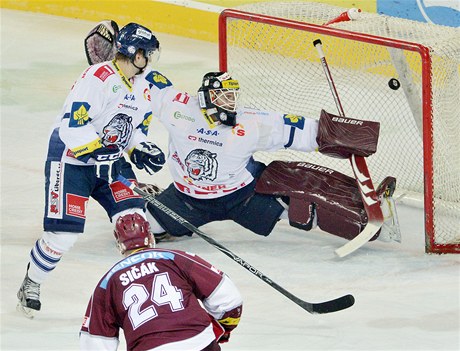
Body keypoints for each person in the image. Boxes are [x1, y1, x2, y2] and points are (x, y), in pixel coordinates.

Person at [84, 21, 401, 246]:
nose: (231, 103)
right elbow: (141, 80)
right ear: (207, 99)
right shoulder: (178, 109)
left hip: (242, 196)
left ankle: (367, 218)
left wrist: (338, 134)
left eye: (233, 96)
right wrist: (120, 58)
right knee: (137, 229)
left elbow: (298, 131)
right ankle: (169, 219)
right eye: (224, 97)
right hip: (185, 199)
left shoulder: (250, 122)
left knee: (301, 195)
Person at [17, 22, 167, 318]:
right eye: (146, 53)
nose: (149, 59)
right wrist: (98, 150)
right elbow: (73, 126)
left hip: (110, 161)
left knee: (134, 225)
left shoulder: (144, 87)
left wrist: (141, 149)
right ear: (134, 53)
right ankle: (31, 282)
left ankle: (146, 299)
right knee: (62, 236)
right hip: (72, 159)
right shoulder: (98, 77)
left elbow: (133, 131)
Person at [80, 213, 243, 351]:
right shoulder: (175, 258)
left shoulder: (107, 282)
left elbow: (94, 343)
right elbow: (229, 300)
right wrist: (222, 327)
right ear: (150, 237)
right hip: (199, 343)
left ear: (119, 244)